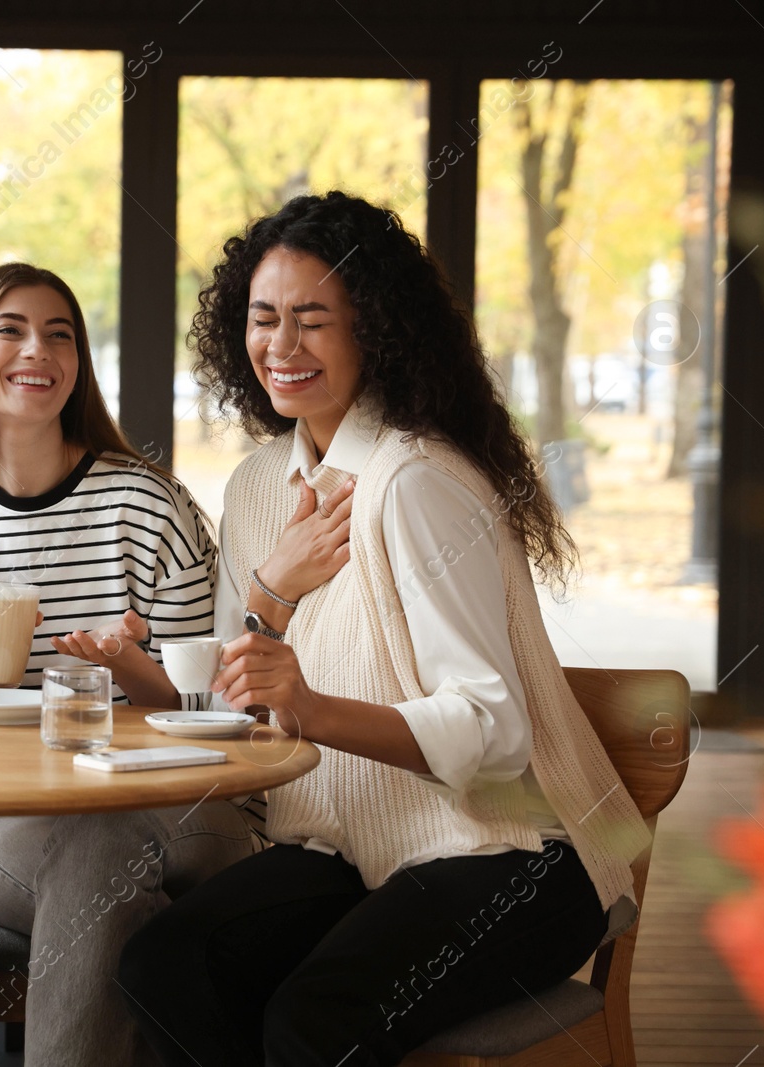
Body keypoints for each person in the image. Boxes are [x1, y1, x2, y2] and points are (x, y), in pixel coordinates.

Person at [117, 192, 653, 1067]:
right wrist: (254, 604)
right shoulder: (259, 487)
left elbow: (494, 728)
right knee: (164, 962)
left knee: (310, 1021)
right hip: (357, 847)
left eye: (313, 319)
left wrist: (313, 707)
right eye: (263, 319)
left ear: (376, 329)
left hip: (518, 855)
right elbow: (241, 697)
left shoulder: (415, 482)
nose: (281, 346)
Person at [0, 262, 259, 1067]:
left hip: (178, 801)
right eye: (11, 330)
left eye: (61, 333)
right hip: (4, 820)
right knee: (108, 879)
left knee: (103, 845)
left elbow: (207, 712)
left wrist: (127, 662)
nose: (39, 350)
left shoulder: (148, 504)